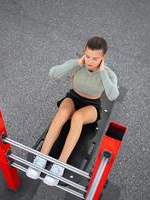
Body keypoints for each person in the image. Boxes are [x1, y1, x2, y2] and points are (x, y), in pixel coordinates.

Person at [26, 36, 119, 186]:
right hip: (73, 97)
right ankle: (40, 159)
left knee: (77, 117)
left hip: (92, 105)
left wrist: (101, 71)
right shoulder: (78, 64)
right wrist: (76, 63)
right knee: (63, 113)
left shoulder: (108, 74)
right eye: (87, 56)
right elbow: (53, 74)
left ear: (103, 57)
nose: (90, 61)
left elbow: (113, 95)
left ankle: (59, 166)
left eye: (95, 58)